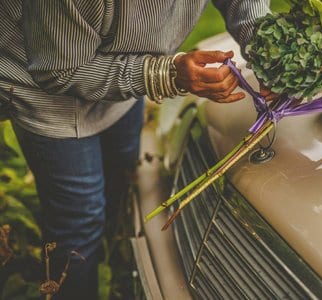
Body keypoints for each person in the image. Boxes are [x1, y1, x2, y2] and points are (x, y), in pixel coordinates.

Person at [0, 0, 275, 298]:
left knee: (122, 173)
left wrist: (267, 49)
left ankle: (117, 266)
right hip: (47, 95)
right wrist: (166, 74)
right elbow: (58, 71)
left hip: (125, 79)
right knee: (79, 223)